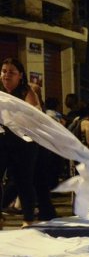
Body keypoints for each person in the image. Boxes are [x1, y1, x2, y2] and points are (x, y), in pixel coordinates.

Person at [0, 57, 56, 225]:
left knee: (23, 180)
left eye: (11, 72)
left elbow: (35, 115)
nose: (6, 75)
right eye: (4, 71)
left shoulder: (26, 91)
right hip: (2, 141)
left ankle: (28, 220)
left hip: (24, 144)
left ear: (20, 76)